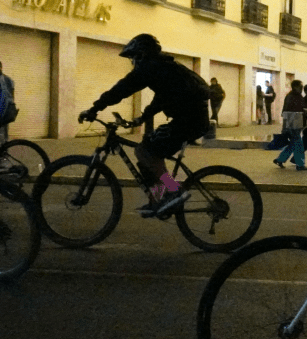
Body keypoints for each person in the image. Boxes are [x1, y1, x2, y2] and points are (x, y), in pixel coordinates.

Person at [78, 34, 210, 217]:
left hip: (189, 120)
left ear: (141, 55)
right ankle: (157, 200)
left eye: (133, 57)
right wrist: (142, 118)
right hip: (192, 118)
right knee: (144, 150)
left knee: (147, 152)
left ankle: (173, 190)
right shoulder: (164, 68)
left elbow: (121, 89)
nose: (132, 62)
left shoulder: (150, 68)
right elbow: (161, 98)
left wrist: (95, 108)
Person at [273, 79, 307, 170]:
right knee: (299, 144)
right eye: (301, 87)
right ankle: (300, 164)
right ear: (296, 87)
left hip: (296, 123)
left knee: (293, 143)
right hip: (293, 123)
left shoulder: (295, 96)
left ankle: (280, 159)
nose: (302, 88)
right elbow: (287, 112)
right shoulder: (292, 97)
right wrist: (285, 126)